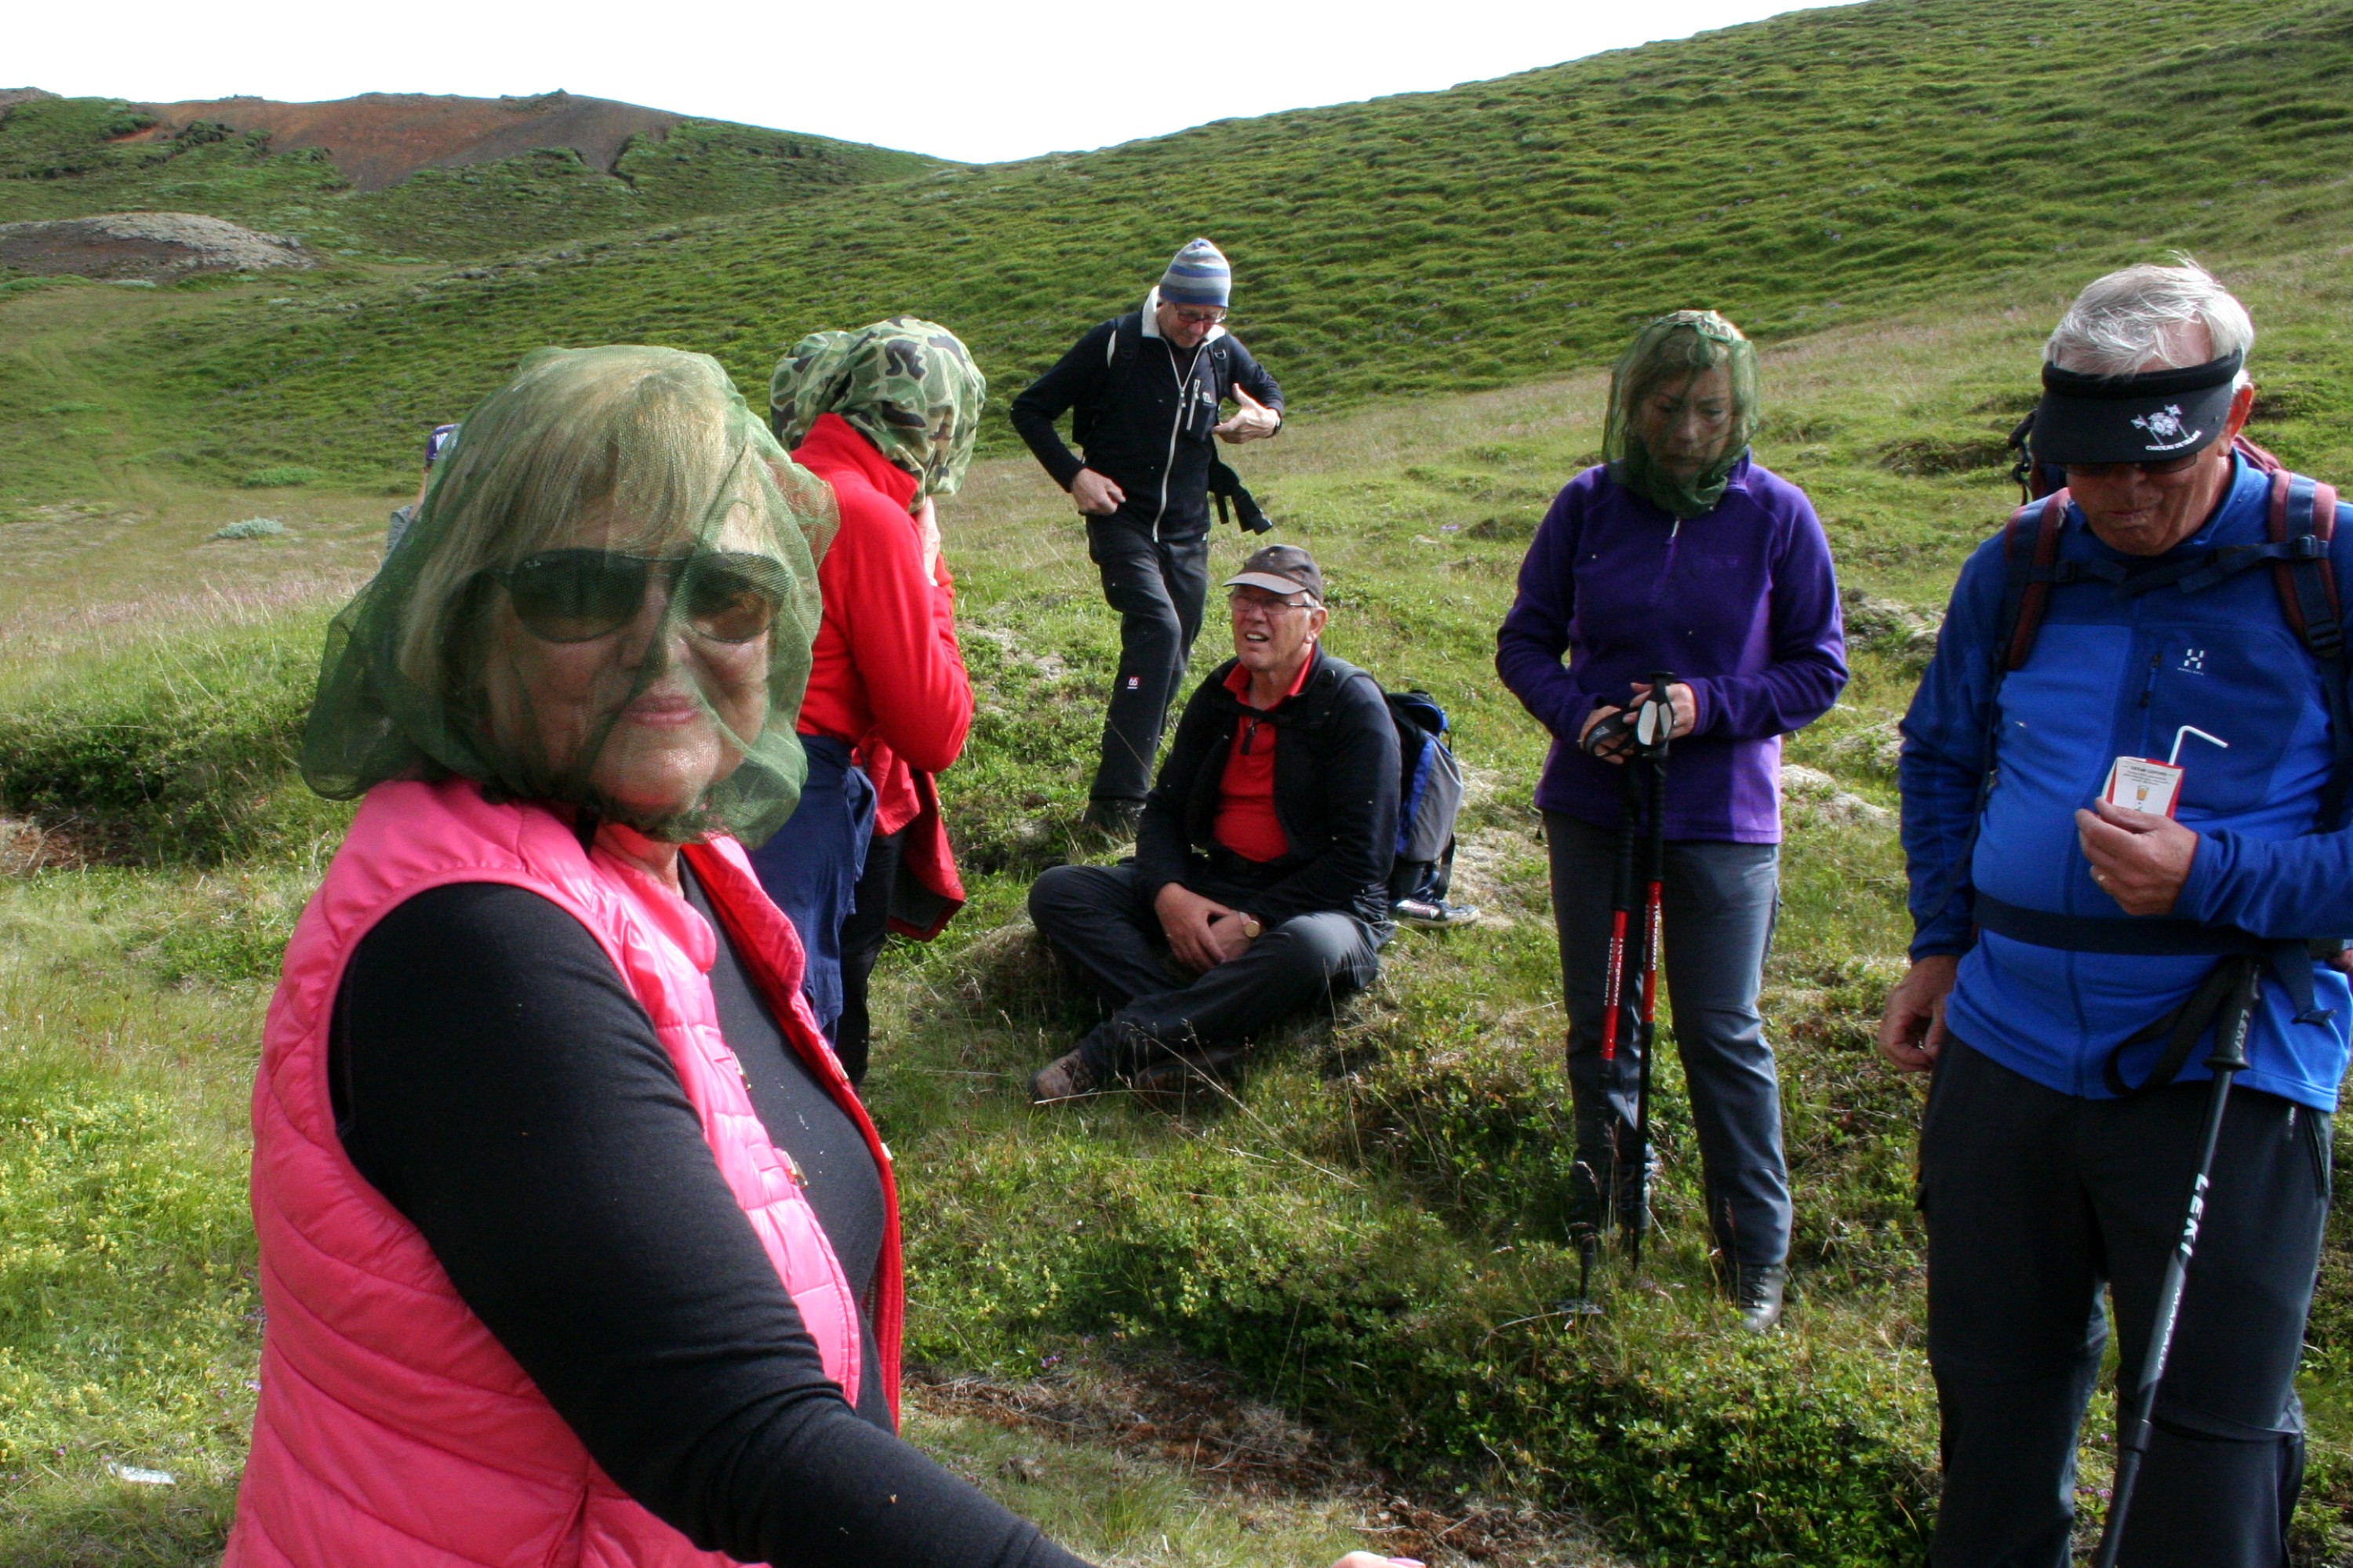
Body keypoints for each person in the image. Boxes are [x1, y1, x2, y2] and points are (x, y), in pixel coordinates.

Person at [231, 342, 1408, 1568]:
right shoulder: (477, 948)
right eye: (581, 590)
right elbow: (740, 1427)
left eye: (728, 596)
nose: (665, 643)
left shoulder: (676, 864)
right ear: (467, 619)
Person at [1880, 260, 2352, 1567]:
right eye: (2092, 467)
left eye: (2162, 465)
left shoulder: (2328, 568)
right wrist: (1941, 939)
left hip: (2227, 1055)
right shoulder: (2023, 560)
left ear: (2237, 414)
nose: (2129, 498)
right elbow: (1941, 754)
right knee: (1991, 1413)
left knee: (2204, 1451)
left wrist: (2211, 875)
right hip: (2009, 1040)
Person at [1495, 310, 1847, 1333]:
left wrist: (1707, 706)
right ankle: (1607, 1198)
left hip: (1724, 814)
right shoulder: (1587, 504)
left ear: (1739, 412)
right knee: (1602, 1016)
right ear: (1632, 406)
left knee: (1721, 1029)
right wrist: (1580, 716)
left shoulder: (1779, 514)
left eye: (1710, 410)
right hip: (1594, 803)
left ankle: (1753, 1253)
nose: (1688, 429)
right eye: (1666, 407)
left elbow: (1819, 667)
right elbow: (1524, 641)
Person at [1027, 544, 1396, 1102]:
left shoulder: (1351, 704)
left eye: (1275, 603)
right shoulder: (1221, 692)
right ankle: (1202, 1038)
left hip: (1320, 904)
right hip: (1220, 878)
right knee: (1061, 890)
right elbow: (1165, 809)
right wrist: (1170, 896)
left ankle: (1116, 1048)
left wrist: (1254, 922)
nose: (1253, 615)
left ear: (1315, 622)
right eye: (1244, 600)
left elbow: (1362, 859)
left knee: (1307, 947)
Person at [754, 316, 982, 1082]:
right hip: (801, 793)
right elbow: (935, 731)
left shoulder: (772, 482)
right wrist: (928, 577)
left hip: (718, 774)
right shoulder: (869, 515)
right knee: (802, 1009)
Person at [1011, 238, 1286, 840]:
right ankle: (1117, 802)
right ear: (1165, 300)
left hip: (1188, 529)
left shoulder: (1220, 349)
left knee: (1176, 648)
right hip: (1122, 519)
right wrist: (1075, 476)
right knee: (1157, 630)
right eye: (1190, 315)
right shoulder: (1114, 343)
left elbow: (1271, 396)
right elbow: (1029, 409)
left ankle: (1138, 782)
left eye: (1212, 317)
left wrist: (1266, 421)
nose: (1199, 327)